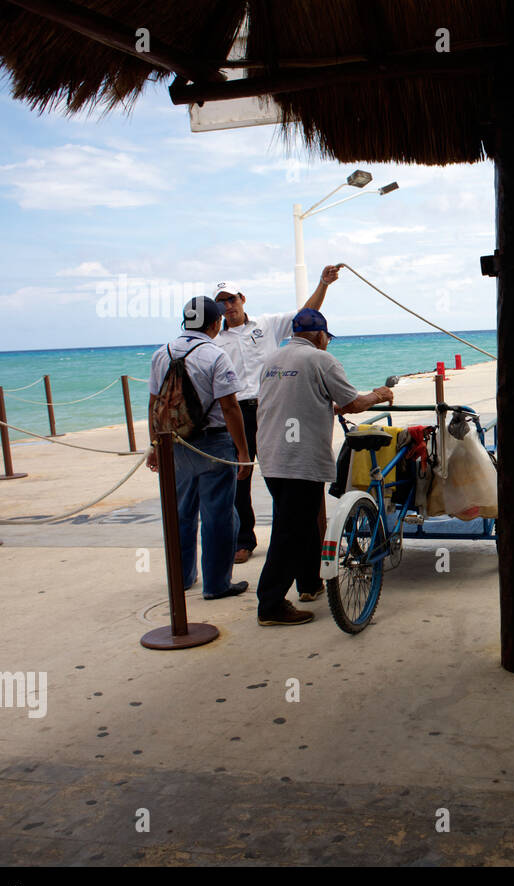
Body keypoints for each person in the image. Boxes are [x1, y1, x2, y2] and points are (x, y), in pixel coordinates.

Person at [255, 308, 394, 626]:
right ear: (320, 335)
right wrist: (379, 394)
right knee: (290, 531)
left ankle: (309, 584)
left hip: (272, 455)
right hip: (299, 459)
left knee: (298, 522)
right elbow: (352, 404)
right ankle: (271, 603)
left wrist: (323, 405)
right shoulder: (321, 359)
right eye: (327, 338)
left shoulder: (272, 360)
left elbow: (290, 399)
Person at [214, 265, 342, 565]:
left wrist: (323, 284)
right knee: (239, 477)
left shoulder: (267, 324)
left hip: (272, 408)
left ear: (242, 298)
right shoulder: (216, 341)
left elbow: (305, 315)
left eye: (231, 299)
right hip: (236, 412)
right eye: (222, 302)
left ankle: (293, 532)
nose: (228, 306)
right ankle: (244, 539)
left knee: (285, 473)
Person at [146, 296, 252, 599]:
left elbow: (154, 403)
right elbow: (230, 407)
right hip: (212, 443)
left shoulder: (161, 353)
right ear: (215, 323)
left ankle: (181, 577)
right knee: (219, 516)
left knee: (180, 513)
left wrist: (154, 443)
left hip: (174, 443)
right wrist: (242, 452)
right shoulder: (215, 355)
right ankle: (217, 584)